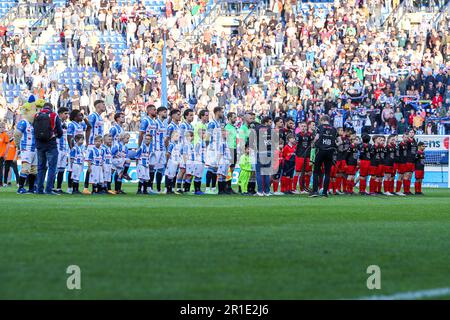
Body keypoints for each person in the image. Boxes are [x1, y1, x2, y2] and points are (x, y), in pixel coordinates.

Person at [35, 102, 64, 195]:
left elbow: (34, 129)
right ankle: (48, 189)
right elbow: (60, 131)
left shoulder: (37, 115)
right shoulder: (54, 115)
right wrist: (56, 135)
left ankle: (39, 189)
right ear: (51, 108)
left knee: (40, 167)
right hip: (51, 144)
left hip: (39, 144)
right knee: (52, 167)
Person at [310, 115, 337, 198]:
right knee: (327, 173)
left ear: (322, 120)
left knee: (316, 171)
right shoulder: (334, 129)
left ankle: (315, 191)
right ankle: (325, 193)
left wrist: (313, 143)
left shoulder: (319, 127)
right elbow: (338, 141)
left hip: (320, 150)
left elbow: (317, 137)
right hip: (330, 151)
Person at [83, 100, 106, 194]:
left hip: (98, 144)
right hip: (92, 143)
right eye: (103, 104)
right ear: (98, 106)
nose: (104, 106)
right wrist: (88, 142)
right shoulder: (93, 116)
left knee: (98, 166)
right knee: (91, 166)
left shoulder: (100, 117)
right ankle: (86, 187)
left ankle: (98, 187)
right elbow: (88, 128)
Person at [254, 116, 274, 196]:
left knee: (259, 172)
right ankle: (267, 191)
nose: (270, 124)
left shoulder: (257, 128)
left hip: (260, 152)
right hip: (269, 152)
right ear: (266, 122)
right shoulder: (271, 130)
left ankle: (260, 191)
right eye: (269, 122)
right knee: (266, 173)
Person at [55, 107, 70, 194]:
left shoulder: (65, 124)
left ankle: (59, 188)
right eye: (65, 113)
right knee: (55, 169)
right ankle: (52, 187)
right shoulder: (56, 122)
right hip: (57, 149)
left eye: (67, 114)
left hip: (64, 149)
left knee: (62, 169)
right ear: (60, 114)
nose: (67, 115)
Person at [224, 112, 238, 193]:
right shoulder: (227, 127)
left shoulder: (233, 127)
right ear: (229, 118)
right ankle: (226, 187)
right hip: (229, 149)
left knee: (232, 169)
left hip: (234, 148)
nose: (235, 119)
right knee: (228, 169)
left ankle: (229, 187)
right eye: (234, 117)